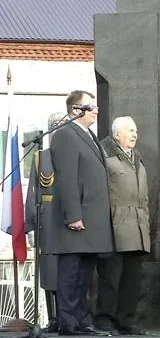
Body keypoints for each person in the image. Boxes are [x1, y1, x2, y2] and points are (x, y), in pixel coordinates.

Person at [50, 90, 113, 336]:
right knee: (71, 273)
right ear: (76, 110)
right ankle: (68, 323)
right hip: (77, 219)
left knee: (84, 274)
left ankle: (80, 320)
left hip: (92, 221)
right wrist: (73, 215)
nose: (96, 109)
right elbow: (66, 179)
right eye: (91, 106)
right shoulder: (66, 135)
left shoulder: (88, 135)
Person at [95, 116, 150, 335]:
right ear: (117, 134)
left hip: (137, 227)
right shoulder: (106, 156)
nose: (135, 134)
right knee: (111, 277)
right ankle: (104, 319)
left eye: (136, 130)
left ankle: (126, 320)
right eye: (130, 131)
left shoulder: (137, 158)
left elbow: (143, 196)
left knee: (132, 279)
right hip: (115, 225)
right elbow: (99, 194)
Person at [24, 112, 65, 333]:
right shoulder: (42, 157)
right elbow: (33, 193)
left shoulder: (74, 155)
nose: (58, 129)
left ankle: (70, 317)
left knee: (71, 273)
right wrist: (30, 225)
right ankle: (54, 318)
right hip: (48, 222)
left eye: (61, 125)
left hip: (70, 222)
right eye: (55, 125)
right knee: (49, 274)